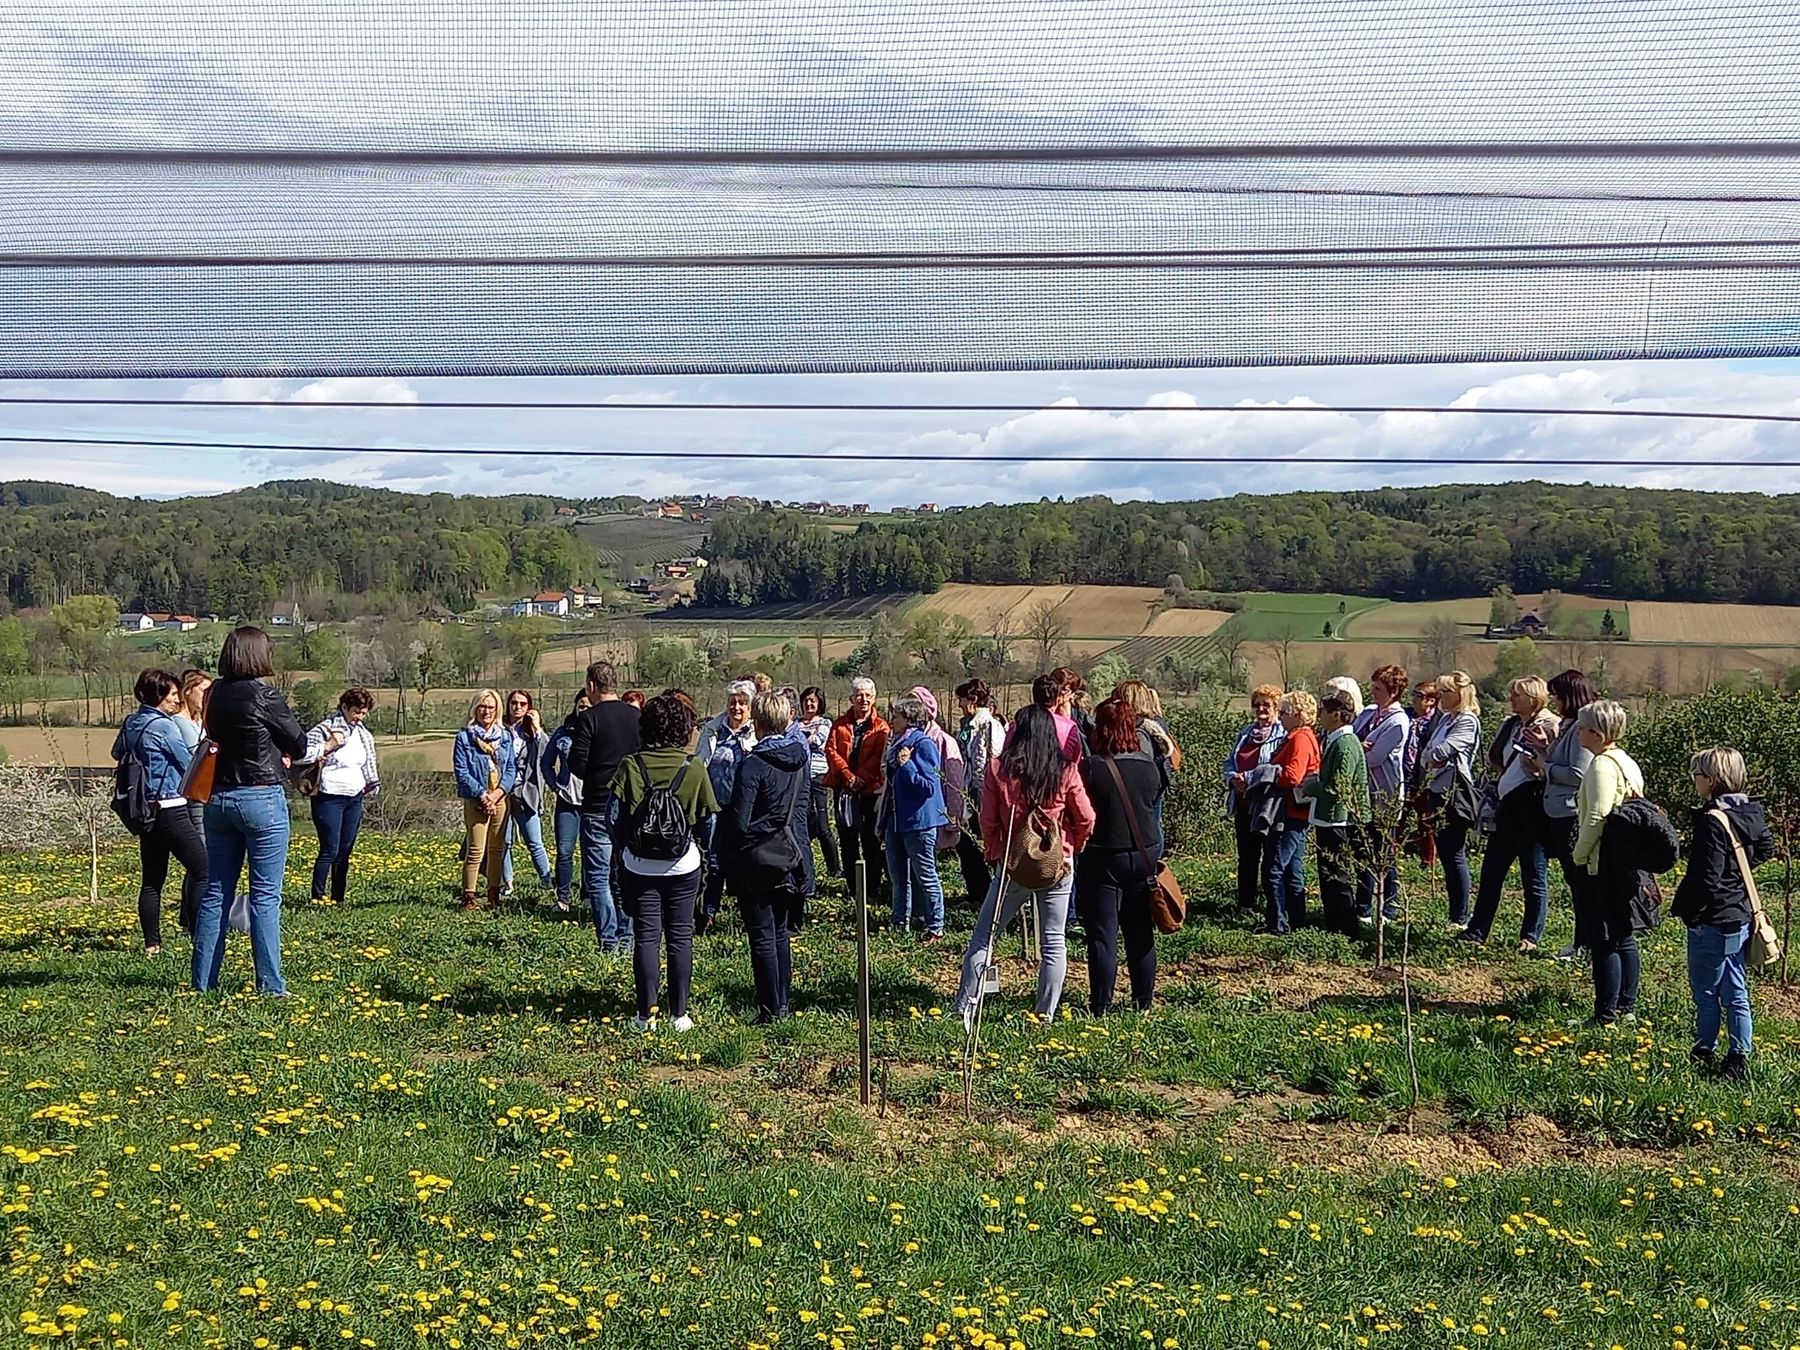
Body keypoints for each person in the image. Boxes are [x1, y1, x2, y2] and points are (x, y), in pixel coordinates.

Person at [950, 705, 1095, 1028]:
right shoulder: (1066, 769)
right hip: (1057, 863)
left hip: (1013, 863)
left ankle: (964, 1008)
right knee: (1054, 939)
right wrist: (1073, 847)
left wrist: (995, 852)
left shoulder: (998, 769)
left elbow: (987, 821)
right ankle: (1045, 1014)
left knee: (985, 937)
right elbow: (1086, 817)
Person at [191, 627, 306, 995]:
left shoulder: (212, 694)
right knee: (265, 896)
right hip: (259, 797)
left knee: (215, 892)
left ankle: (203, 982)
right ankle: (270, 984)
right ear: (259, 655)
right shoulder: (264, 695)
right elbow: (299, 743)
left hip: (218, 797)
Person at [610, 693, 719, 1031]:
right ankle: (679, 1015)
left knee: (645, 937)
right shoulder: (694, 768)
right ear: (685, 729)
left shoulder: (631, 765)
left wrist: (625, 848)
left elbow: (611, 819)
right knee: (680, 937)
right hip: (683, 865)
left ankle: (645, 1016)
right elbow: (708, 823)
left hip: (639, 865)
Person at [1674, 747, 1774, 1079]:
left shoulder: (1711, 821)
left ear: (1712, 780)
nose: (1694, 781)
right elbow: (1765, 849)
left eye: (1697, 775)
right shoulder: (1752, 811)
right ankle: (1739, 1055)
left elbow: (1706, 878)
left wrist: (1689, 911)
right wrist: (1739, 872)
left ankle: (1704, 1048)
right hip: (1740, 914)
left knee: (1706, 990)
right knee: (1736, 986)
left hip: (1712, 918)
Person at [718, 690, 809, 1022]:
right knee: (780, 932)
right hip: (787, 851)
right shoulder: (798, 759)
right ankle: (782, 1003)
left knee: (761, 935)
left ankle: (770, 1010)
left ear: (756, 721)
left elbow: (739, 821)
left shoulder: (753, 764)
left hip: (755, 856)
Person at [1077, 696, 1166, 1013]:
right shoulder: (1149, 766)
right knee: (1140, 930)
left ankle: (1100, 1004)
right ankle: (1144, 1001)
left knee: (1103, 934)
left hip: (1103, 855)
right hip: (1145, 852)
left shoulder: (1092, 768)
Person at [1461, 676, 1559, 949]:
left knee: (1533, 874)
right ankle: (1477, 930)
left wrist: (1542, 748)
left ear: (1533, 697)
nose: (1512, 698)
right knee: (1492, 870)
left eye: (1518, 694)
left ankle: (1530, 936)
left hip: (1532, 807)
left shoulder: (1550, 725)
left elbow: (1554, 764)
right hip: (1507, 806)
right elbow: (1499, 759)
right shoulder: (1511, 724)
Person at [113, 668, 204, 955]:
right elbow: (187, 760)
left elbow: (117, 753)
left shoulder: (131, 722)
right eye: (172, 694)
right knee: (204, 869)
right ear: (158, 695)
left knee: (152, 880)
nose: (176, 700)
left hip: (143, 811)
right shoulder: (164, 727)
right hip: (171, 807)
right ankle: (200, 934)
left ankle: (152, 943)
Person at [1571, 699, 1647, 1028]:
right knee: (1624, 934)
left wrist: (1579, 853)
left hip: (1601, 862)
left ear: (1598, 734)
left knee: (1603, 940)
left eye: (1583, 726)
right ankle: (1626, 1007)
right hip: (1625, 861)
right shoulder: (1626, 761)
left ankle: (1605, 1015)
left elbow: (1597, 816)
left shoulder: (1601, 765)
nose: (1577, 731)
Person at [1520, 669, 1597, 962]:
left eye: (1557, 695)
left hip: (1570, 813)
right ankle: (1582, 941)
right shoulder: (1569, 726)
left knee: (1579, 882)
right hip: (1560, 811)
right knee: (1573, 880)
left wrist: (1544, 765)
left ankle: (1584, 943)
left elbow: (1578, 773)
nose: (1554, 700)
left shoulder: (1581, 728)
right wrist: (1545, 746)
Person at [570, 662, 641, 954]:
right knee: (625, 873)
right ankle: (628, 937)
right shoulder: (637, 716)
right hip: (630, 804)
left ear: (591, 686)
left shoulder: (590, 719)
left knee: (598, 876)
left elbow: (576, 763)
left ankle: (609, 941)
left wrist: (597, 772)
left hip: (598, 804)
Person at [1300, 691, 1372, 937]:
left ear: (1337, 715)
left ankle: (1345, 929)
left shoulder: (1345, 744)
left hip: (1339, 819)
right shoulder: (1336, 740)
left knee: (1337, 875)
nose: (1320, 715)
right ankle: (1335, 924)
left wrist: (1310, 786)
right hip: (1331, 817)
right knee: (1329, 875)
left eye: (1324, 711)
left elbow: (1337, 788)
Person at [299, 687, 379, 907]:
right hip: (328, 796)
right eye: (356, 712)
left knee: (345, 849)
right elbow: (302, 753)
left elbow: (367, 764)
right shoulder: (326, 729)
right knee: (330, 849)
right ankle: (317, 897)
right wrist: (328, 747)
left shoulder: (364, 735)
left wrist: (370, 785)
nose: (359, 717)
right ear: (344, 707)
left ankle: (338, 897)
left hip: (354, 797)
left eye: (363, 713)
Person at [881, 693, 950, 942]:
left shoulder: (922, 745)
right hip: (896, 820)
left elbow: (929, 786)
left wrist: (907, 765)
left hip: (919, 823)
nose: (892, 720)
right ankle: (900, 923)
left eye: (896, 716)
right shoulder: (897, 744)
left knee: (925, 875)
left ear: (909, 719)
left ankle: (935, 926)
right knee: (899, 877)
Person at [696, 680, 758, 931]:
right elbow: (700, 763)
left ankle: (748, 916)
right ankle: (708, 913)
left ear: (751, 706)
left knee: (745, 860)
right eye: (733, 701)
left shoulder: (757, 732)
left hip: (744, 808)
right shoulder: (713, 729)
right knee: (713, 861)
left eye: (742, 702)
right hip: (714, 806)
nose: (736, 707)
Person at [1422, 671, 1481, 929]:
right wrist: (1433, 756)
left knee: (1455, 854)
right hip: (1437, 791)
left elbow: (1442, 751)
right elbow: (1427, 753)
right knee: (1445, 853)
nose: (1440, 697)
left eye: (1445, 692)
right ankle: (1454, 913)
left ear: (1460, 694)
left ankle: (1460, 916)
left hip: (1455, 794)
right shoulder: (1446, 719)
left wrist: (1434, 756)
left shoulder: (1467, 721)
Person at [825, 677, 889, 906]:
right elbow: (831, 750)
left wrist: (861, 777)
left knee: (871, 841)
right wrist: (847, 775)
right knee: (847, 839)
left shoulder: (881, 726)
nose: (863, 699)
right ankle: (853, 887)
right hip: (844, 790)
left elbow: (879, 756)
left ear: (874, 698)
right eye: (859, 695)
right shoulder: (839, 724)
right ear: (852, 698)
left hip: (870, 790)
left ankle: (872, 887)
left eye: (867, 695)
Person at [1353, 665, 1410, 924]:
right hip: (1363, 794)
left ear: (1394, 691)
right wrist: (1358, 745)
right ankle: (1363, 906)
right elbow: (1351, 739)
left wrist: (1357, 748)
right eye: (1373, 687)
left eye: (1379, 689)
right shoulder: (1368, 714)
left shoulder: (1398, 721)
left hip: (1385, 795)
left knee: (1384, 853)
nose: (1373, 693)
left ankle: (1389, 908)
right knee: (1364, 851)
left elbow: (1375, 757)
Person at [453, 689, 518, 912]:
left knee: (497, 848)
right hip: (476, 799)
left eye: (490, 707)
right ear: (475, 709)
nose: (486, 711)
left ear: (497, 709)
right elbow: (461, 771)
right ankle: (469, 896)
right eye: (482, 706)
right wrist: (482, 794)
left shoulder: (506, 736)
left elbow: (511, 768)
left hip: (500, 797)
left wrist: (498, 793)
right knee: (475, 849)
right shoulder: (464, 737)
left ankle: (493, 894)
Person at [1264, 690, 1322, 935]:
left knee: (1274, 868)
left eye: (1284, 712)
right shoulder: (1305, 736)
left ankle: (1277, 923)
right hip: (1298, 812)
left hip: (1289, 813)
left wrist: (1268, 773)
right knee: (1292, 868)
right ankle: (1296, 920)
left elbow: (1292, 776)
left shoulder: (1299, 739)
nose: (1281, 718)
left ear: (1297, 715)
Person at [1225, 685, 1286, 913]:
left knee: (1271, 858)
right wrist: (1233, 778)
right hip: (1243, 804)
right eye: (1257, 704)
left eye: (1266, 704)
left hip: (1267, 806)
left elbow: (1274, 767)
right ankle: (1246, 904)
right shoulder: (1245, 733)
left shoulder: (1283, 735)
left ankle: (1274, 905)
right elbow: (1229, 762)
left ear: (1277, 708)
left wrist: (1248, 777)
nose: (1261, 709)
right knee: (1247, 857)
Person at [954, 678, 1004, 907]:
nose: (959, 705)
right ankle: (979, 892)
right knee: (966, 843)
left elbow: (994, 760)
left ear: (973, 699)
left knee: (989, 843)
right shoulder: (968, 725)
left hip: (985, 792)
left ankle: (1000, 891)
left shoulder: (990, 726)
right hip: (969, 791)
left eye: (962, 700)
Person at [500, 690, 554, 896]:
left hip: (526, 792)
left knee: (534, 841)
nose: (518, 707)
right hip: (502, 792)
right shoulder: (500, 729)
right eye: (514, 703)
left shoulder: (531, 732)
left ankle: (547, 881)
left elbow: (546, 751)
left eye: (523, 704)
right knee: (505, 842)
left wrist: (537, 726)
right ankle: (508, 883)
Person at [541, 692, 591, 913]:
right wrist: (554, 786)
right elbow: (546, 763)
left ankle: (588, 895)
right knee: (564, 851)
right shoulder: (563, 733)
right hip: (567, 801)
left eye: (589, 707)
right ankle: (563, 898)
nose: (585, 711)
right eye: (581, 706)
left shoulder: (600, 733)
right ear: (575, 708)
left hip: (592, 801)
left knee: (592, 851)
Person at [797, 687, 842, 884]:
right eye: (806, 700)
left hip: (817, 777)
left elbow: (817, 741)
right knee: (803, 824)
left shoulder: (825, 723)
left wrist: (801, 738)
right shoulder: (796, 723)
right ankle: (806, 868)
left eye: (813, 701)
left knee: (823, 825)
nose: (809, 704)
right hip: (799, 777)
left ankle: (835, 869)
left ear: (820, 703)